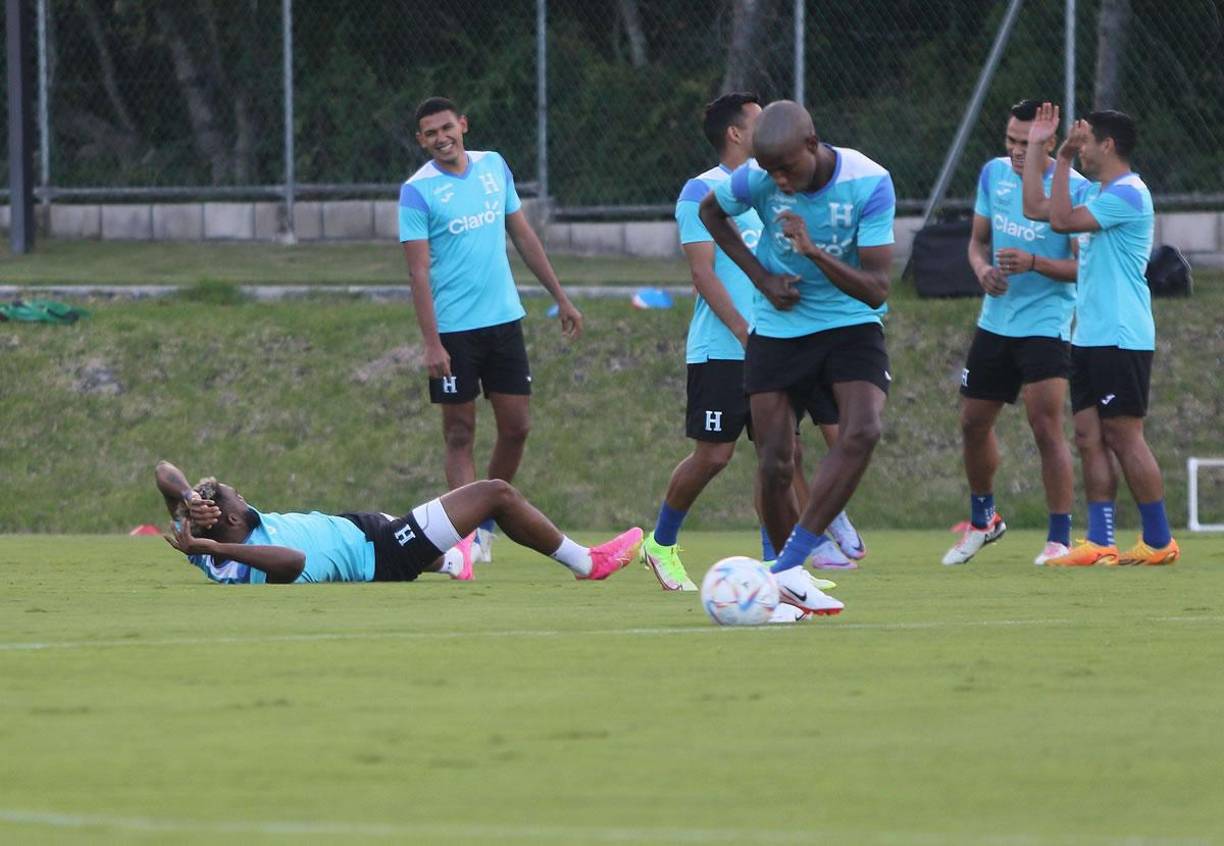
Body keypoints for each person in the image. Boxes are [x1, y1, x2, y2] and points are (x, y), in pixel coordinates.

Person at [640, 93, 863, 592]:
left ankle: (779, 567)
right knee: (713, 456)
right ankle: (660, 544)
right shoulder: (702, 190)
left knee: (780, 455)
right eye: (758, 121)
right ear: (736, 134)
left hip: (776, 345)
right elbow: (703, 273)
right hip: (722, 348)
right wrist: (744, 331)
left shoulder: (774, 186)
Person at [699, 100, 898, 615]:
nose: (779, 182)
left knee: (863, 431)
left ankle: (789, 565)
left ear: (812, 145)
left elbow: (877, 290)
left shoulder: (870, 182)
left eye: (787, 169)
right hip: (780, 330)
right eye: (770, 172)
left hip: (850, 323)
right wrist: (761, 277)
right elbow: (710, 212)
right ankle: (791, 582)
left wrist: (813, 252)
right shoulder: (758, 179)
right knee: (775, 462)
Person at [399, 96, 584, 565]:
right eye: (430, 133)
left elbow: (522, 234)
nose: (442, 138)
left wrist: (560, 296)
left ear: (463, 125)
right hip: (454, 334)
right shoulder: (417, 192)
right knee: (459, 434)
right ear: (421, 141)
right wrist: (431, 343)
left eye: (447, 128)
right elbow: (418, 273)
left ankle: (484, 520)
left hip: (504, 321)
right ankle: (463, 542)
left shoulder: (494, 167)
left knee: (518, 427)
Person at [1021, 103, 1178, 567]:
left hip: (1121, 334)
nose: (1079, 147)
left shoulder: (1128, 194)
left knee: (1125, 435)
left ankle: (1159, 539)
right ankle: (1101, 540)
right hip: (1089, 335)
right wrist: (1036, 146)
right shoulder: (1099, 192)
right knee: (1089, 436)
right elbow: (1036, 207)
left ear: (1107, 145)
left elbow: (1063, 221)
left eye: (1085, 140)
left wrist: (1062, 158)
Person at [942, 99, 1086, 567]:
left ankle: (1059, 538)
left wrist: (1034, 263)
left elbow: (1084, 268)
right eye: (1012, 141)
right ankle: (984, 520)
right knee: (971, 421)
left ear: (1049, 141)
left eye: (1030, 142)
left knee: (1045, 424)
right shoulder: (993, 174)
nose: (1019, 150)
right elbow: (977, 241)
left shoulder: (1075, 190)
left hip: (1047, 322)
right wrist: (982, 268)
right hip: (996, 320)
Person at [155, 461, 643, 585]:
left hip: (365, 527)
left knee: (445, 547)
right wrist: (212, 548)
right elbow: (294, 560)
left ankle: (455, 561)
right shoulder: (235, 561)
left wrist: (184, 498)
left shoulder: (214, 538)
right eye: (239, 495)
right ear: (235, 516)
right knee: (495, 493)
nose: (244, 495)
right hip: (382, 550)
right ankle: (586, 562)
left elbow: (162, 471)